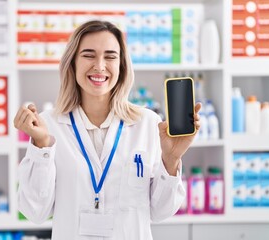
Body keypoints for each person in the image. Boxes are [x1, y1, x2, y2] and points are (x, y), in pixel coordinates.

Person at [14, 20, 201, 239]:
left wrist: (171, 160)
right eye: (88, 55)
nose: (100, 66)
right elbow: (35, 212)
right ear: (72, 62)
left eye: (110, 56)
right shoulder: (48, 126)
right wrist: (42, 148)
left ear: (122, 65)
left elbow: (160, 212)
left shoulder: (147, 124)